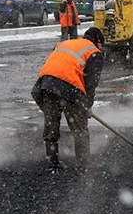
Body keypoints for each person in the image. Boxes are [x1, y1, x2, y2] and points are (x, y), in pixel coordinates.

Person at [31, 27, 105, 171]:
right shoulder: (93, 52)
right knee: (79, 127)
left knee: (51, 123)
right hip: (69, 86)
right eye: (102, 44)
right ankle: (84, 164)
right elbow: (91, 83)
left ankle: (52, 161)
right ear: (97, 41)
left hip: (46, 83)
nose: (101, 48)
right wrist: (86, 106)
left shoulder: (67, 43)